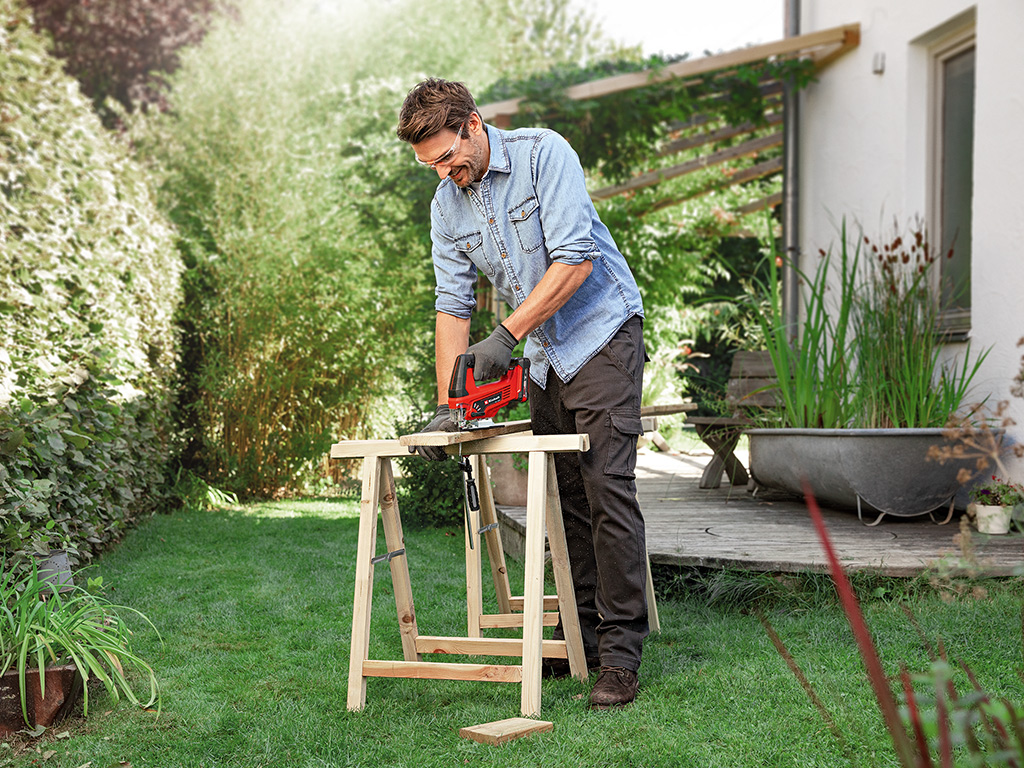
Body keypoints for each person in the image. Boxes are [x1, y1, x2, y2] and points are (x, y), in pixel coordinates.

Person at [396, 78, 648, 709]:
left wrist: (504, 334)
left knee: (606, 486)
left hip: (601, 332)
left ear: (474, 125)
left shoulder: (544, 155)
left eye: (449, 158)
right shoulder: (445, 206)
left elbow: (575, 258)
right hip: (542, 354)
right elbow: (452, 308)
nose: (445, 174)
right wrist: (453, 408)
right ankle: (580, 636)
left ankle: (620, 654)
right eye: (431, 167)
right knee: (563, 497)